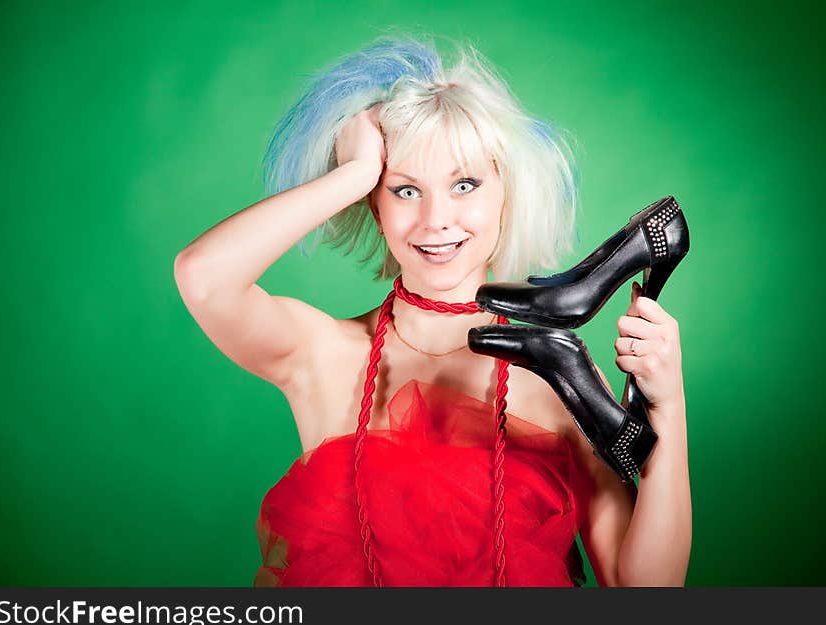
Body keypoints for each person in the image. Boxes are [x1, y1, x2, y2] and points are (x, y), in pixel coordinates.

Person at [173, 34, 692, 587]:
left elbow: (645, 589)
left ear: (504, 195)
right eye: (404, 190)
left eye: (464, 184)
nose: (435, 219)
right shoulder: (322, 355)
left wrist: (669, 406)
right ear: (373, 205)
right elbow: (203, 277)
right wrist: (352, 174)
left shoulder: (558, 382)